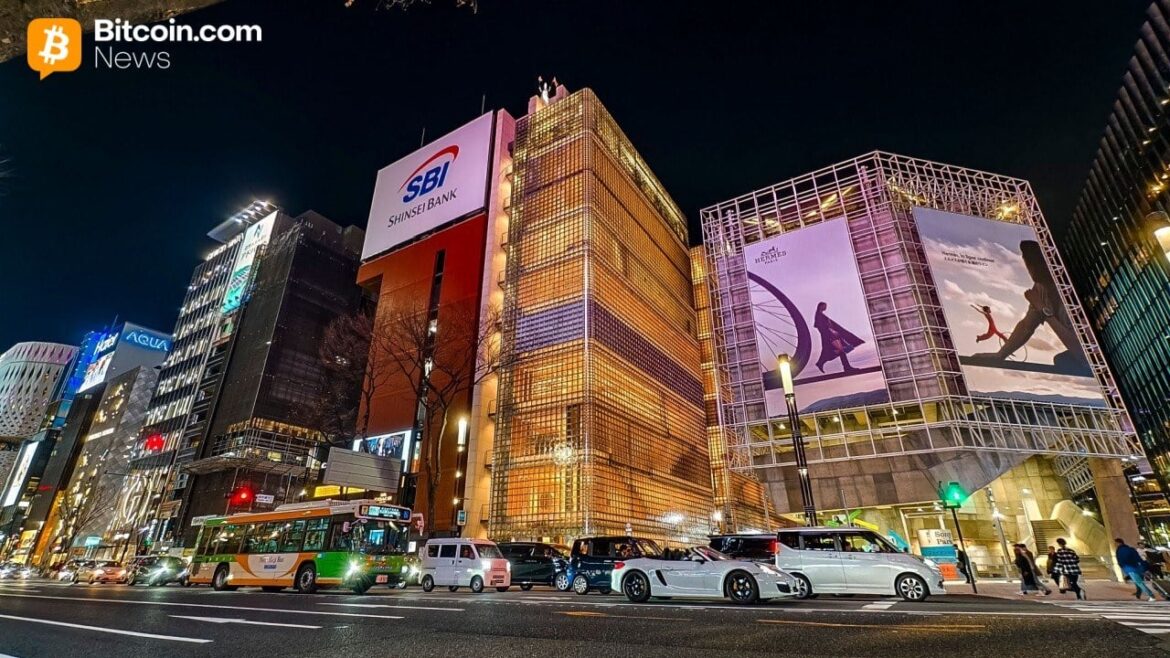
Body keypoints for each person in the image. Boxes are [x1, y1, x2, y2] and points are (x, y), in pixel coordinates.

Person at [812, 302, 864, 374]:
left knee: (838, 351)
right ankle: (847, 367)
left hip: (831, 336)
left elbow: (826, 326)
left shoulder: (820, 315)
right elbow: (821, 327)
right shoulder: (819, 315)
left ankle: (821, 362)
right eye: (824, 306)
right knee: (839, 350)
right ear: (820, 306)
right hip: (830, 337)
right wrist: (831, 332)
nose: (825, 307)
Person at [1116, 538, 1159, 602]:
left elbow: (1120, 561)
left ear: (1118, 543)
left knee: (1139, 582)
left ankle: (1151, 596)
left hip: (1130, 568)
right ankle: (1138, 593)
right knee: (1139, 582)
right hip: (1138, 567)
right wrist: (1143, 567)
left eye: (1116, 543)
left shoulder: (1119, 551)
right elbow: (1138, 558)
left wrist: (1123, 567)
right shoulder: (1131, 549)